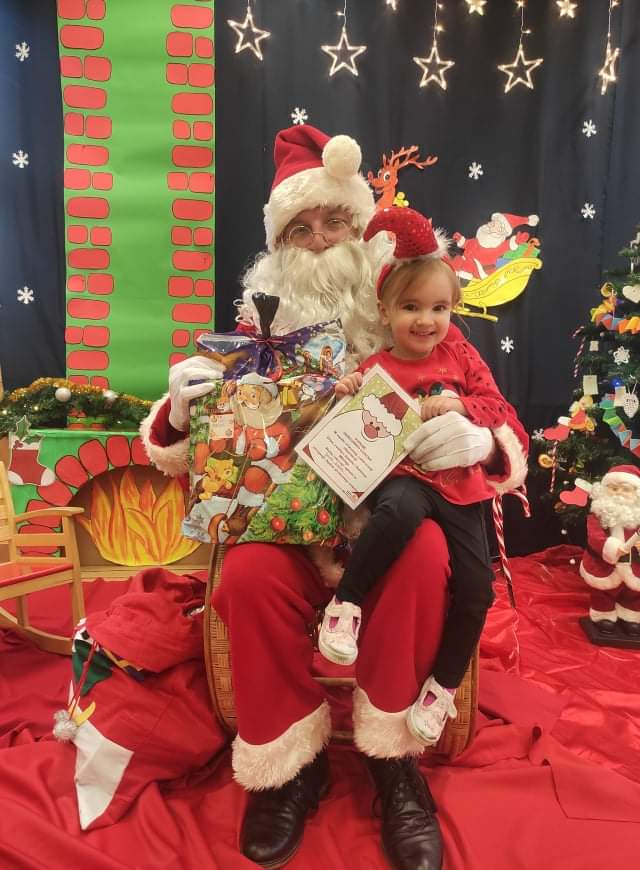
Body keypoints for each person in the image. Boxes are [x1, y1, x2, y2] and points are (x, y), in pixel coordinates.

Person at [141, 124, 529, 870]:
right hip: (291, 526)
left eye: (335, 222)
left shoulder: (421, 320)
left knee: (425, 556)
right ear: (276, 246)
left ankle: (392, 756)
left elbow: (503, 420)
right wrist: (182, 412)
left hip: (396, 521)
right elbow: (197, 449)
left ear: (364, 233)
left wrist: (483, 440)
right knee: (246, 576)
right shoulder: (257, 332)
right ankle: (290, 762)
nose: (319, 241)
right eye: (300, 228)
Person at [318, 206, 512, 748]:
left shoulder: (462, 355)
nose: (426, 320)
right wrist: (344, 392)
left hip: (461, 487)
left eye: (438, 308)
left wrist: (464, 409)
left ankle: (442, 687)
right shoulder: (377, 367)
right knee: (398, 510)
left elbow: (497, 407)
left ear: (453, 309)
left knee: (478, 590)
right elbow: (350, 421)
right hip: (405, 477)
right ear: (384, 312)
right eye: (411, 307)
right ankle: (345, 605)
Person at [579, 464, 640, 637]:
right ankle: (603, 616)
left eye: (625, 489)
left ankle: (630, 617)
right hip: (604, 565)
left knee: (634, 595)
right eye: (614, 488)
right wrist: (610, 547)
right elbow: (595, 536)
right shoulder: (598, 515)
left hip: (634, 566)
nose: (619, 493)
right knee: (603, 593)